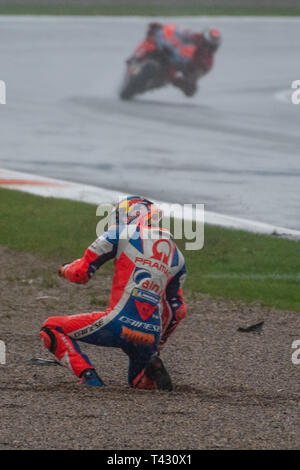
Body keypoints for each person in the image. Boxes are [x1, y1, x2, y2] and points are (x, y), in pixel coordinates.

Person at [40, 196, 187, 390]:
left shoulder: (120, 233)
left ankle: (88, 375)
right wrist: (157, 344)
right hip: (150, 334)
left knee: (51, 328)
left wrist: (64, 268)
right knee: (137, 382)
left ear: (133, 214)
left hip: (117, 323)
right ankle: (151, 370)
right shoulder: (178, 257)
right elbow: (177, 311)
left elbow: (80, 274)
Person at [148, 23, 221, 96]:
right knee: (155, 30)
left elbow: (195, 75)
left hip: (181, 68)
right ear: (203, 38)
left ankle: (155, 81)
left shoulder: (208, 62)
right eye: (206, 44)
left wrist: (187, 79)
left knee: (191, 89)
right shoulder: (196, 37)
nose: (207, 48)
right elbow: (181, 32)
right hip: (173, 51)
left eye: (210, 46)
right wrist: (166, 30)